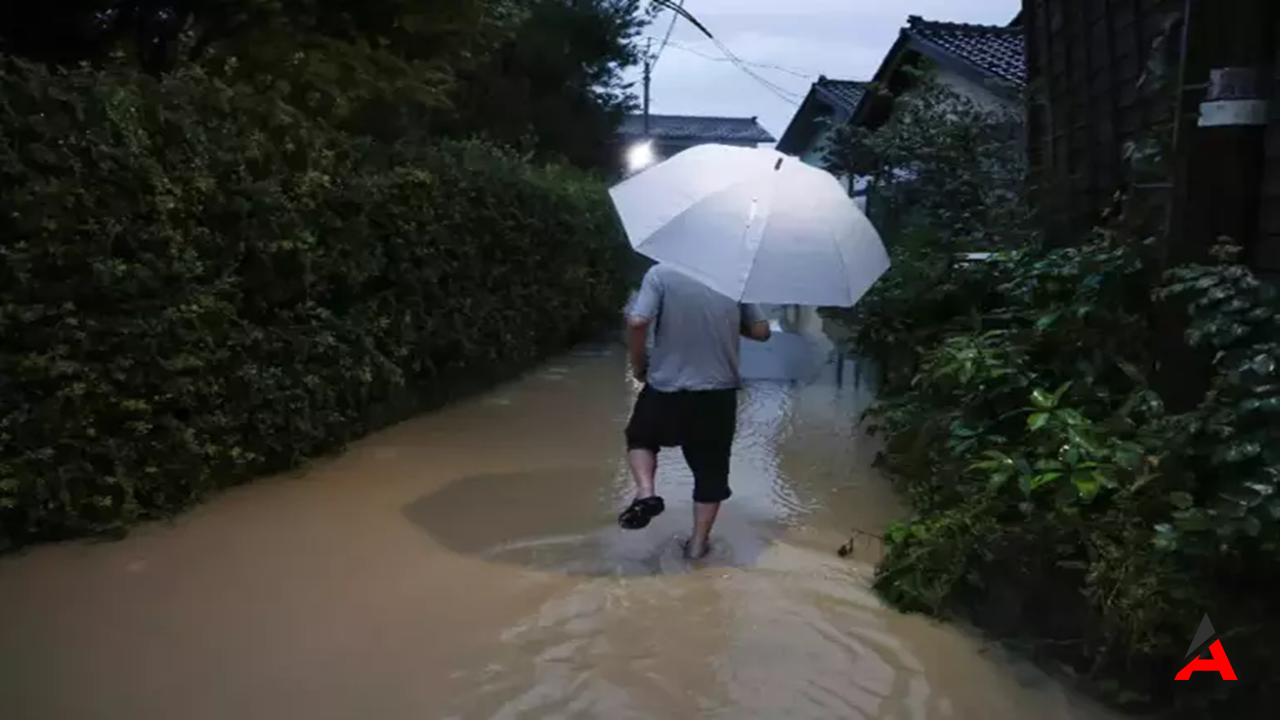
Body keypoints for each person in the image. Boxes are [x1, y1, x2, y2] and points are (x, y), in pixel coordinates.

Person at [617, 263, 772, 559]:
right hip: (717, 393)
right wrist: (728, 320)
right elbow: (761, 331)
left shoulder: (660, 274)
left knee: (640, 437)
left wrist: (638, 365)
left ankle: (646, 493)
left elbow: (637, 322)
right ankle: (697, 546)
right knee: (710, 473)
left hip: (665, 386)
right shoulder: (735, 277)